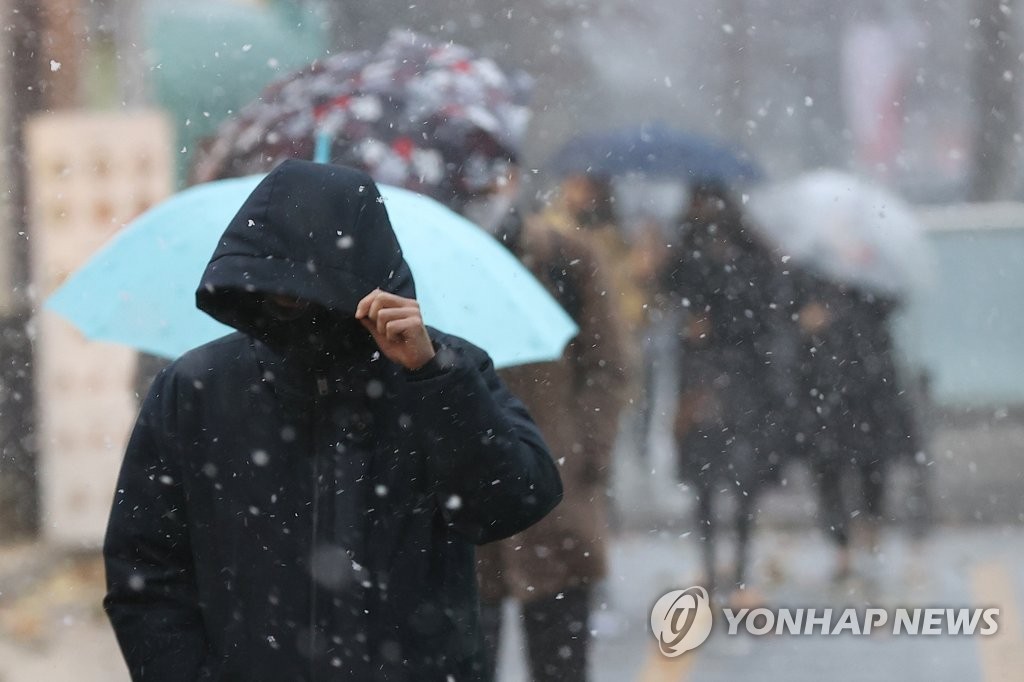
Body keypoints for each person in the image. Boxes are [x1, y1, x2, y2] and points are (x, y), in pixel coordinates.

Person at [102, 160, 563, 681]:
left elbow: (512, 503)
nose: (294, 303)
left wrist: (433, 376)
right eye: (279, 288)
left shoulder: (440, 368)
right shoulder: (197, 389)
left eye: (305, 288)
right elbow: (144, 570)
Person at [467, 169, 628, 682]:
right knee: (465, 658)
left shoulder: (565, 258)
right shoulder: (431, 258)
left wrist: (587, 451)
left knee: (560, 657)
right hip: (462, 493)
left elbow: (610, 365)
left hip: (554, 482)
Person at [661, 182, 791, 600]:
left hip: (739, 380)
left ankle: (738, 565)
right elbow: (670, 293)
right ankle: (714, 562)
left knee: (741, 478)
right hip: (701, 379)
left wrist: (718, 322)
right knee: (704, 478)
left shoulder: (751, 253)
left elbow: (763, 312)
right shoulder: (685, 249)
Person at [791, 271, 922, 579]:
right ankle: (841, 543)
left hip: (870, 377)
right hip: (822, 378)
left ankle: (871, 522)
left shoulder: (872, 264)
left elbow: (892, 302)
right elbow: (785, 304)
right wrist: (806, 316)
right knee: (826, 464)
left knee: (873, 460)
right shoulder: (809, 260)